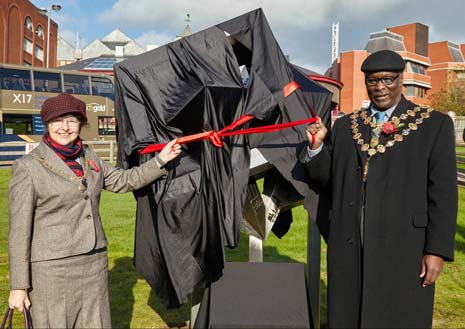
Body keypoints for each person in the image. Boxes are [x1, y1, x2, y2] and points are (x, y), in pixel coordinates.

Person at [301, 50, 457, 328]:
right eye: (373, 81)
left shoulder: (434, 125)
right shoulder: (346, 126)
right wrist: (316, 148)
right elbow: (327, 179)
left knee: (398, 314)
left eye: (387, 80)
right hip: (351, 239)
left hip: (405, 246)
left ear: (400, 80)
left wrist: (436, 251)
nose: (380, 87)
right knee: (349, 313)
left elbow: (443, 195)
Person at [8, 93, 181, 328]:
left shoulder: (89, 157)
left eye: (72, 120)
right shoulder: (27, 167)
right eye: (57, 121)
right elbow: (19, 232)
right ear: (47, 124)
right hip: (52, 271)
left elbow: (123, 180)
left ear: (81, 124)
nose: (65, 127)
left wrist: (160, 160)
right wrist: (19, 286)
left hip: (93, 264)